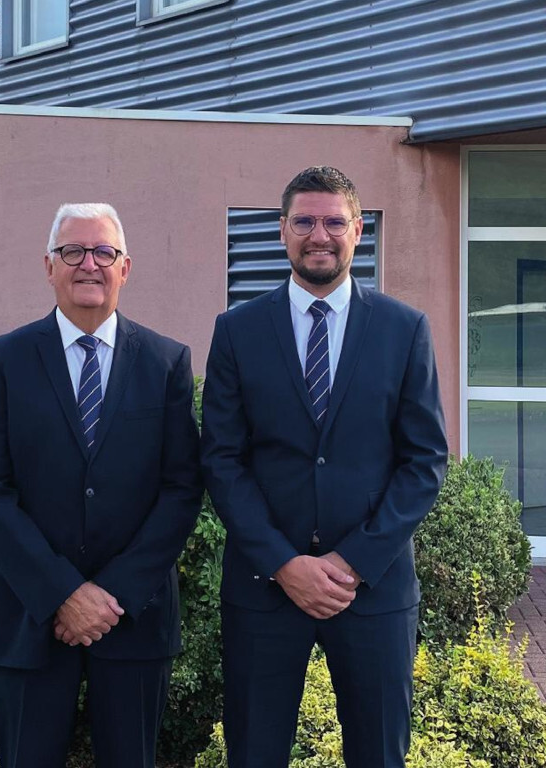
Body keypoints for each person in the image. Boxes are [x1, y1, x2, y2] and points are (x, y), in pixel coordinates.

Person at [200, 167, 449, 768]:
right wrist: (285, 565)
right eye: (305, 221)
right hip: (264, 590)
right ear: (282, 232)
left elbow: (424, 462)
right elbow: (222, 459)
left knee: (380, 755)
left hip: (373, 591)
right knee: (255, 754)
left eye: (335, 221)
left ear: (358, 230)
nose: (320, 234)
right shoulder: (237, 331)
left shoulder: (403, 328)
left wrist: (351, 562)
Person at [0, 203, 202, 768]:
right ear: (49, 266)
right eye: (73, 251)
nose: (88, 264)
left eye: (104, 252)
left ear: (126, 268)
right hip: (28, 616)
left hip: (134, 619)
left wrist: (110, 595)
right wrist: (63, 595)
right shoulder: (4, 361)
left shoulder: (167, 363)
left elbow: (181, 489)